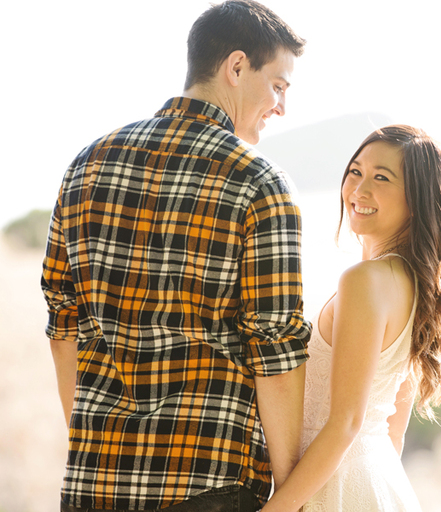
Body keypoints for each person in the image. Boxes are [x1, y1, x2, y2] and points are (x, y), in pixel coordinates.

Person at [41, 2, 311, 510]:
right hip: (209, 483)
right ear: (236, 67)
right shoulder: (260, 183)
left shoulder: (85, 165)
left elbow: (63, 328)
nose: (281, 107)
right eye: (278, 86)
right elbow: (274, 349)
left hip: (93, 483)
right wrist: (291, 493)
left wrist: (91, 448)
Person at [262, 125, 441, 511]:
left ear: (417, 199)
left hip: (336, 485)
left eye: (381, 178)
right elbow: (394, 432)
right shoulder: (419, 286)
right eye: (355, 171)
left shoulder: (364, 281)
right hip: (377, 480)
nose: (360, 189)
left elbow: (345, 424)